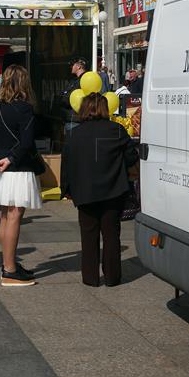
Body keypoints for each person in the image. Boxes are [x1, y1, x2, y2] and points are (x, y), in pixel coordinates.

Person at [61, 93, 138, 287]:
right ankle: (112, 277)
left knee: (88, 235)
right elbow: (131, 157)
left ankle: (90, 278)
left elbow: (67, 163)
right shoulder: (117, 130)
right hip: (113, 190)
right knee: (111, 234)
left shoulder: (75, 134)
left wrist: (67, 189)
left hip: (84, 190)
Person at [0, 65, 41, 287]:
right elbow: (27, 142)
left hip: (0, 166)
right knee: (15, 216)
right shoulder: (25, 108)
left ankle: (8, 264)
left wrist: (0, 158)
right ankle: (9, 270)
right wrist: (11, 158)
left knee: (4, 216)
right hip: (17, 167)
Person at [58, 58, 86, 137]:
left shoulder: (84, 80)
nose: (71, 67)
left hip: (75, 120)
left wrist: (64, 97)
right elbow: (64, 95)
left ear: (79, 67)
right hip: (70, 118)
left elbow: (67, 98)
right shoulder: (74, 80)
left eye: (72, 65)